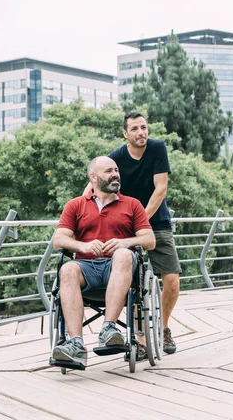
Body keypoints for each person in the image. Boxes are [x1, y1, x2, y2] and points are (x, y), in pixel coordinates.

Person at [83, 111, 181, 355]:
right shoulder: (116, 156)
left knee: (172, 282)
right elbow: (93, 185)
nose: (141, 133)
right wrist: (83, 207)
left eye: (144, 127)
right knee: (135, 283)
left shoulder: (157, 149)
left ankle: (163, 328)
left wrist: (142, 221)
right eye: (135, 129)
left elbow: (160, 189)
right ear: (125, 133)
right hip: (126, 225)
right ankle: (139, 338)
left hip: (155, 222)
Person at [52, 155, 155, 368]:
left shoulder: (133, 205)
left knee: (124, 254)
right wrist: (83, 246)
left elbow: (149, 240)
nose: (115, 174)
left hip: (118, 267)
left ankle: (109, 329)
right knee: (68, 268)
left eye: (116, 170)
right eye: (109, 171)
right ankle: (76, 344)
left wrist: (123, 243)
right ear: (93, 177)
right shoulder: (76, 205)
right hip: (86, 267)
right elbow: (59, 239)